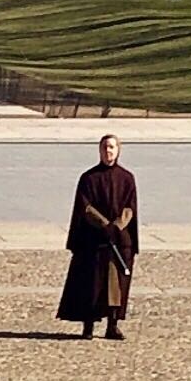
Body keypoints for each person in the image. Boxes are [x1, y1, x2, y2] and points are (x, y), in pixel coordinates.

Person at [59, 135, 139, 340]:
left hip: (119, 241)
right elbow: (85, 206)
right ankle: (88, 327)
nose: (108, 151)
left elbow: (130, 207)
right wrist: (103, 224)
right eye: (105, 147)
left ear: (118, 150)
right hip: (94, 240)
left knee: (116, 285)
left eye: (112, 147)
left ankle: (112, 325)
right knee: (91, 283)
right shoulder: (89, 178)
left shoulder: (127, 178)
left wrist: (117, 226)